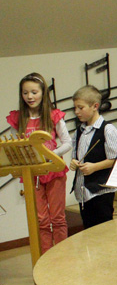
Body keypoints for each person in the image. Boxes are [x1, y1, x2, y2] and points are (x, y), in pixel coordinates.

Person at [6, 73, 72, 253]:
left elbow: (67, 142)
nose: (30, 96)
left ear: (43, 93)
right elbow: (16, 145)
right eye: (25, 93)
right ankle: (45, 257)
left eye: (34, 92)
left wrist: (51, 154)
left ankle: (63, 255)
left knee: (57, 218)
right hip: (32, 174)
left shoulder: (53, 115)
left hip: (54, 171)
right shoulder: (17, 118)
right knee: (41, 220)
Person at [69, 85, 117, 228]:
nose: (76, 112)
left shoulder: (108, 130)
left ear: (95, 106)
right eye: (75, 108)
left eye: (80, 108)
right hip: (83, 192)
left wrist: (95, 167)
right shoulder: (79, 131)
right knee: (89, 230)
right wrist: (74, 162)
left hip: (101, 191)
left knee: (104, 230)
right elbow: (75, 155)